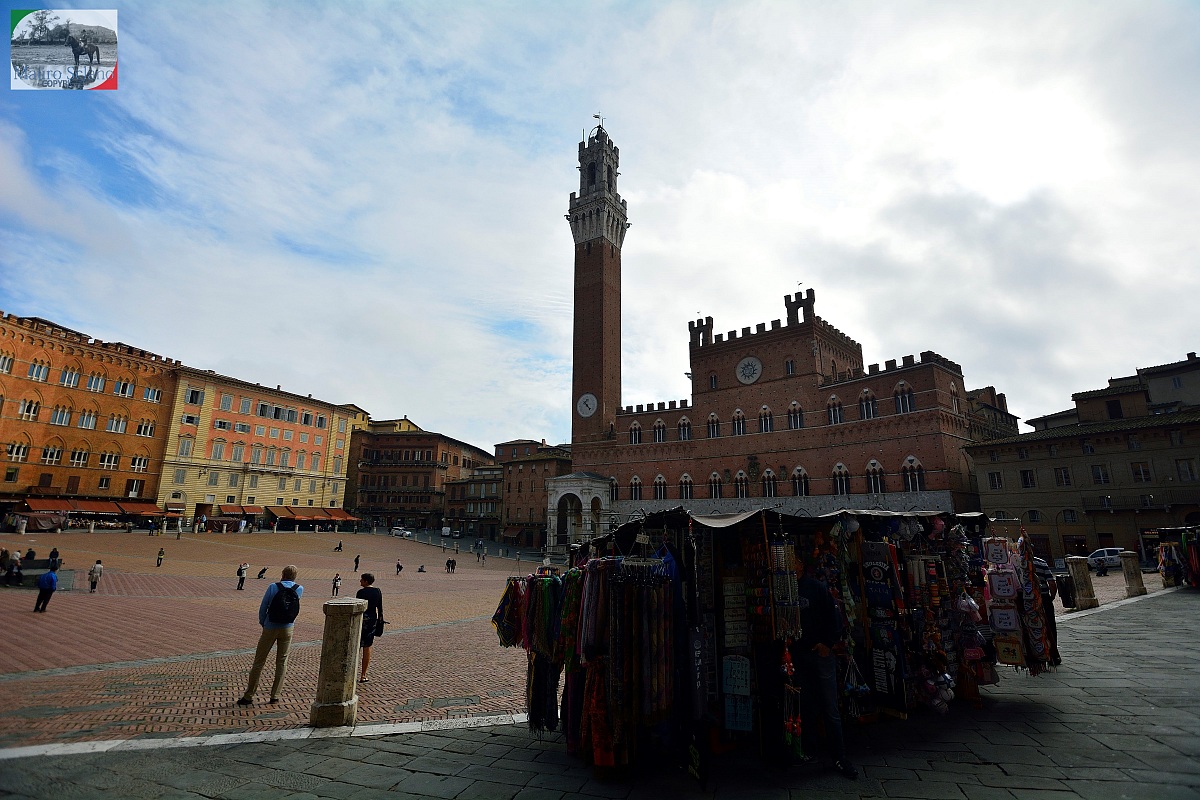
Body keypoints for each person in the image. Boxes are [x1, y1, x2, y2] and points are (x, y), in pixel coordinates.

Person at [795, 562, 857, 779]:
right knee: (807, 704)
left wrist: (827, 644)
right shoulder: (786, 588)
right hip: (801, 654)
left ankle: (839, 757)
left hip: (820, 654)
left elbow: (834, 619)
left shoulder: (816, 587)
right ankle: (810, 750)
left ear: (799, 565)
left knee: (830, 708)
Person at [238, 565, 303, 706]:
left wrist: (264, 623)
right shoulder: (299, 588)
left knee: (259, 661)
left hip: (270, 626)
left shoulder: (273, 587)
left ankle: (249, 695)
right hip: (287, 628)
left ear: (283, 574)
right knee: (282, 662)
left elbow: (263, 607)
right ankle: (275, 695)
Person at [1033, 556, 1062, 666]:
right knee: (1050, 626)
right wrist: (1051, 597)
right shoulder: (1041, 562)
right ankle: (1053, 655)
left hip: (1027, 600)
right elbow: (1051, 583)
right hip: (1044, 598)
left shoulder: (1017, 562)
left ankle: (1036, 655)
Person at [356, 573, 383, 683]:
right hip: (372, 621)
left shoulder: (361, 592)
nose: (360, 581)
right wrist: (380, 623)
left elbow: (357, 607)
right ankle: (363, 675)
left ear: (366, 581)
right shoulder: (377, 591)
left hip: (361, 620)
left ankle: (352, 673)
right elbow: (380, 608)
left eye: (362, 580)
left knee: (356, 646)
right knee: (367, 647)